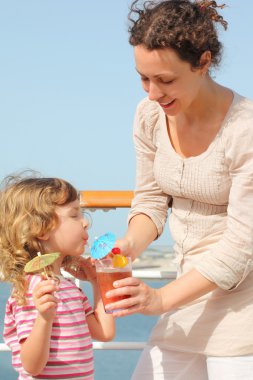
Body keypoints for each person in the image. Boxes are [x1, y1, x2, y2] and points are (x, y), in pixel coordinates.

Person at [103, 0, 253, 379]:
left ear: (202, 62)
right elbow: (151, 199)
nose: (152, 93)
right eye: (143, 78)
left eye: (166, 80)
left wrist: (160, 298)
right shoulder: (150, 115)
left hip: (244, 308)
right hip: (188, 298)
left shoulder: (245, 129)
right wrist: (128, 247)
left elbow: (242, 245)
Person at [0, 174, 115, 380]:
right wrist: (44, 319)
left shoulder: (68, 287)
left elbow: (105, 332)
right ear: (41, 228)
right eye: (74, 215)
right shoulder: (32, 290)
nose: (85, 223)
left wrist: (98, 282)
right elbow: (32, 366)